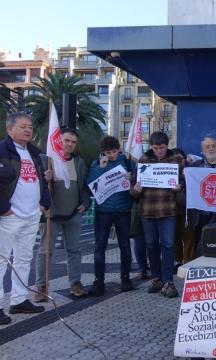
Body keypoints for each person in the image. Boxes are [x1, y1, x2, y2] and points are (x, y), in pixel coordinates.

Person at [0, 112, 50, 325]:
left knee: (23, 259)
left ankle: (19, 300)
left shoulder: (35, 153)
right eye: (23, 126)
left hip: (31, 216)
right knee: (1, 261)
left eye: (30, 126)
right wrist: (3, 208)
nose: (28, 129)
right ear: (9, 129)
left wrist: (43, 203)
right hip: (9, 216)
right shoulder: (1, 151)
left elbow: (42, 181)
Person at [34, 128, 91, 301]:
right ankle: (41, 287)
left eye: (73, 142)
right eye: (67, 140)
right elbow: (32, 183)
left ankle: (75, 283)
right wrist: (45, 178)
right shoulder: (46, 160)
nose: (70, 144)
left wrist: (85, 204)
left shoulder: (79, 162)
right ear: (59, 141)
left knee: (74, 251)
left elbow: (85, 187)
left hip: (73, 215)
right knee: (45, 251)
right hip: (51, 216)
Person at [131, 131, 184, 298]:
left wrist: (179, 187)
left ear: (167, 146)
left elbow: (184, 181)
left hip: (168, 210)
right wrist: (135, 190)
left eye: (161, 148)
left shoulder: (176, 160)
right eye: (155, 148)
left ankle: (168, 280)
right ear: (151, 146)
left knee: (168, 245)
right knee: (152, 245)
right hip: (147, 211)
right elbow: (133, 190)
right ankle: (156, 278)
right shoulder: (143, 161)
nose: (159, 151)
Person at [86, 135, 135, 296]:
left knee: (125, 247)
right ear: (103, 152)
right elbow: (90, 186)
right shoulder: (96, 163)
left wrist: (132, 178)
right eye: (108, 152)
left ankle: (125, 279)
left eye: (114, 151)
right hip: (103, 211)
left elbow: (138, 182)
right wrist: (100, 168)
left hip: (123, 210)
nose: (112, 155)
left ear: (118, 149)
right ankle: (99, 281)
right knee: (99, 247)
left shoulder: (127, 162)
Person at [186, 136, 216, 254]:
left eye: (213, 146)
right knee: (200, 246)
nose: (211, 149)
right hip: (201, 216)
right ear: (202, 151)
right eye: (207, 146)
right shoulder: (194, 167)